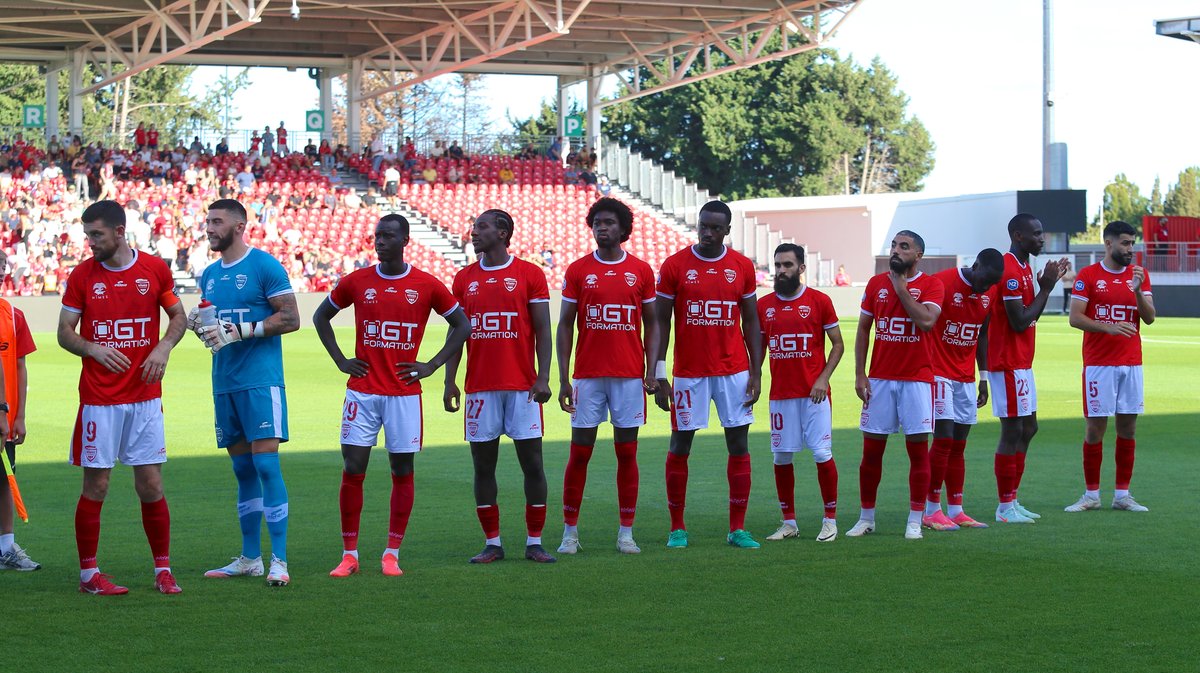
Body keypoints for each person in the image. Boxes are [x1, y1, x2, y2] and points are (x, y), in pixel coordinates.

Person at [313, 214, 470, 577]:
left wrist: (432, 365)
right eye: (377, 235)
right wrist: (340, 360)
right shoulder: (357, 281)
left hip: (404, 394)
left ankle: (391, 553)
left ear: (405, 241)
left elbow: (463, 324)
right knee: (353, 468)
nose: (380, 241)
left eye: (387, 236)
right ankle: (349, 555)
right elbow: (321, 317)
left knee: (402, 470)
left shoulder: (426, 284)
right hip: (362, 392)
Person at [57, 200, 187, 595]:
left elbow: (179, 317)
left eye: (96, 234)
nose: (90, 242)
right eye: (87, 235)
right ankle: (89, 576)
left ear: (119, 232)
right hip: (100, 399)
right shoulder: (82, 275)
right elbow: (64, 332)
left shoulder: (154, 269)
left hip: (145, 397)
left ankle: (163, 570)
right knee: (96, 486)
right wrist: (92, 348)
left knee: (151, 485)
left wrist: (163, 347)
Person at [193, 199, 300, 586]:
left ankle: (279, 561)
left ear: (239, 226)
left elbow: (291, 317)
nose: (209, 228)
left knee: (266, 465)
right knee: (242, 470)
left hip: (261, 381)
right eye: (208, 222)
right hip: (225, 382)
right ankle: (250, 558)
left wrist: (243, 331)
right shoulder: (209, 274)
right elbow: (216, 327)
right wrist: (200, 325)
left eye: (217, 222)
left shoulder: (264, 265)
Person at [443, 209, 556, 564]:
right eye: (474, 226)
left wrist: (543, 376)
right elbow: (456, 333)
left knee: (533, 464)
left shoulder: (529, 274)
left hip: (522, 386)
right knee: (483, 467)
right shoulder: (464, 278)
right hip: (479, 387)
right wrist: (449, 380)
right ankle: (492, 543)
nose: (473, 232)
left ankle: (534, 542)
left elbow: (543, 330)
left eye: (481, 226)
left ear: (503, 233)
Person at [653, 200, 763, 549]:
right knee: (680, 445)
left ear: (727, 230)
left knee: (739, 444)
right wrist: (659, 373)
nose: (708, 233)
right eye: (704, 226)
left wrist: (757, 371)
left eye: (716, 228)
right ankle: (677, 528)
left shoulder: (741, 266)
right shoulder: (675, 265)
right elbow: (660, 323)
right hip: (690, 373)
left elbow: (751, 322)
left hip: (734, 371)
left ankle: (737, 529)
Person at [555, 198, 658, 555]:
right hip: (587, 375)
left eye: (610, 222)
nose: (602, 227)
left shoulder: (641, 271)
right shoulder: (578, 270)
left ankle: (626, 533)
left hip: (629, 376)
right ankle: (570, 533)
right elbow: (565, 324)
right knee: (579, 453)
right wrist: (563, 377)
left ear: (624, 229)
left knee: (626, 453)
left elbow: (653, 324)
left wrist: (653, 370)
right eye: (597, 222)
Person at [849, 230, 943, 540]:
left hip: (917, 380)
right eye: (893, 245)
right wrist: (860, 373)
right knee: (871, 453)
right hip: (880, 379)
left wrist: (901, 288)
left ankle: (915, 519)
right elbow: (864, 330)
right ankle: (866, 518)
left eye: (904, 247)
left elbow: (926, 321)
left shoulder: (932, 285)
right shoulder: (876, 284)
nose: (896, 251)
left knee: (918, 452)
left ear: (918, 255)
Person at [1065, 220, 1155, 513]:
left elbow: (1150, 318)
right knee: (1095, 429)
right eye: (1125, 243)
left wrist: (1138, 291)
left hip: (1132, 363)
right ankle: (1091, 495)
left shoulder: (1139, 275)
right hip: (1099, 364)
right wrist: (1108, 327)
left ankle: (1122, 496)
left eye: (1132, 244)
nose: (1130, 249)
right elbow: (1075, 317)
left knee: (1128, 428)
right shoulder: (1089, 275)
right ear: (1109, 243)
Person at [758, 243, 843, 543]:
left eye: (787, 265)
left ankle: (830, 521)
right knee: (781, 457)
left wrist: (823, 379)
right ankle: (789, 523)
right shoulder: (764, 305)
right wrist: (755, 378)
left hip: (814, 395)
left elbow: (838, 344)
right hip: (781, 395)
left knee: (821, 453)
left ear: (801, 268)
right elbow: (759, 349)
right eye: (777, 265)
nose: (781, 271)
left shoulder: (819, 301)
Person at [987, 214, 1067, 524]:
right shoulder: (1009, 269)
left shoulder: (1024, 268)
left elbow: (1032, 315)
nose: (1041, 239)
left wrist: (1044, 287)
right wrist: (1046, 289)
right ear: (1018, 236)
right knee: (1012, 431)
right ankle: (1004, 507)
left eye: (1041, 233)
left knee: (1029, 428)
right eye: (1036, 233)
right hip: (1007, 361)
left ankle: (1013, 499)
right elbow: (1020, 321)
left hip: (1022, 362)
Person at [922, 249, 1005, 531]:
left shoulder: (990, 291)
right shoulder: (942, 282)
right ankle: (931, 510)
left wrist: (984, 377)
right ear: (976, 265)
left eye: (992, 283)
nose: (986, 286)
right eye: (985, 279)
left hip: (966, 377)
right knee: (943, 440)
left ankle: (956, 510)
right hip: (938, 373)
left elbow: (981, 333)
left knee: (959, 444)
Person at [0, 248, 39, 571]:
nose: (0, 270)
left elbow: (20, 366)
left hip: (5, 419)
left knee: (4, 480)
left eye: (2, 265)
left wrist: (20, 415)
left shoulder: (13, 315)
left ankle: (6, 549)